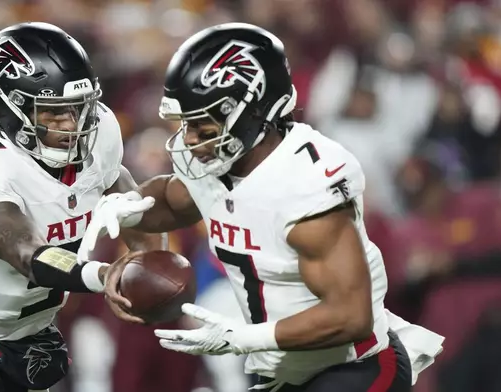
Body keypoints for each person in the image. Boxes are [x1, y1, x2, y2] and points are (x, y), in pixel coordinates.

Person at [78, 23, 445, 392]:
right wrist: (122, 204)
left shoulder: (305, 186)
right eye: (186, 123)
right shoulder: (223, 161)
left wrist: (244, 337)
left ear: (257, 111)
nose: (189, 140)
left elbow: (352, 317)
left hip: (353, 366)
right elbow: (171, 201)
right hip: (285, 372)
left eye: (204, 125)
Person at [0, 22, 162, 392]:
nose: (73, 125)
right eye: (53, 113)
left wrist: (146, 257)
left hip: (32, 333)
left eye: (77, 108)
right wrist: (104, 276)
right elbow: (27, 253)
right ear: (9, 109)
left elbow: (122, 196)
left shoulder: (100, 129)